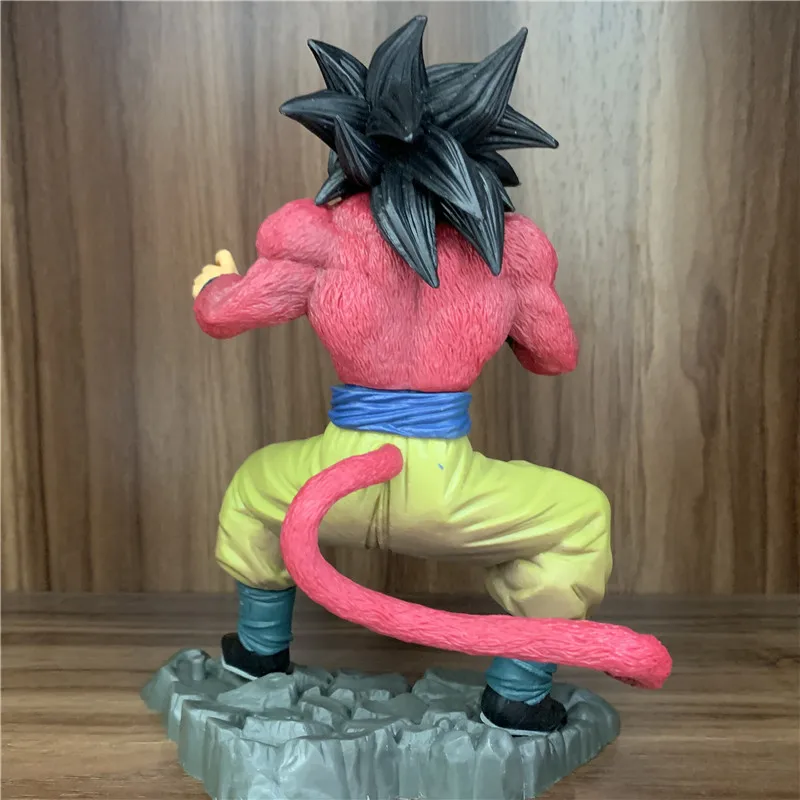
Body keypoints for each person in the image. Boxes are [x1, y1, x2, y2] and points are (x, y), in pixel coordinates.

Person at [192, 16, 612, 734]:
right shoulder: (512, 252)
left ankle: (259, 654)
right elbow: (554, 356)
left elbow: (223, 314)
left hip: (333, 481)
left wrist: (214, 282)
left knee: (251, 490)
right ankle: (518, 693)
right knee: (581, 517)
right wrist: (503, 306)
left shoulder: (320, 234)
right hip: (450, 492)